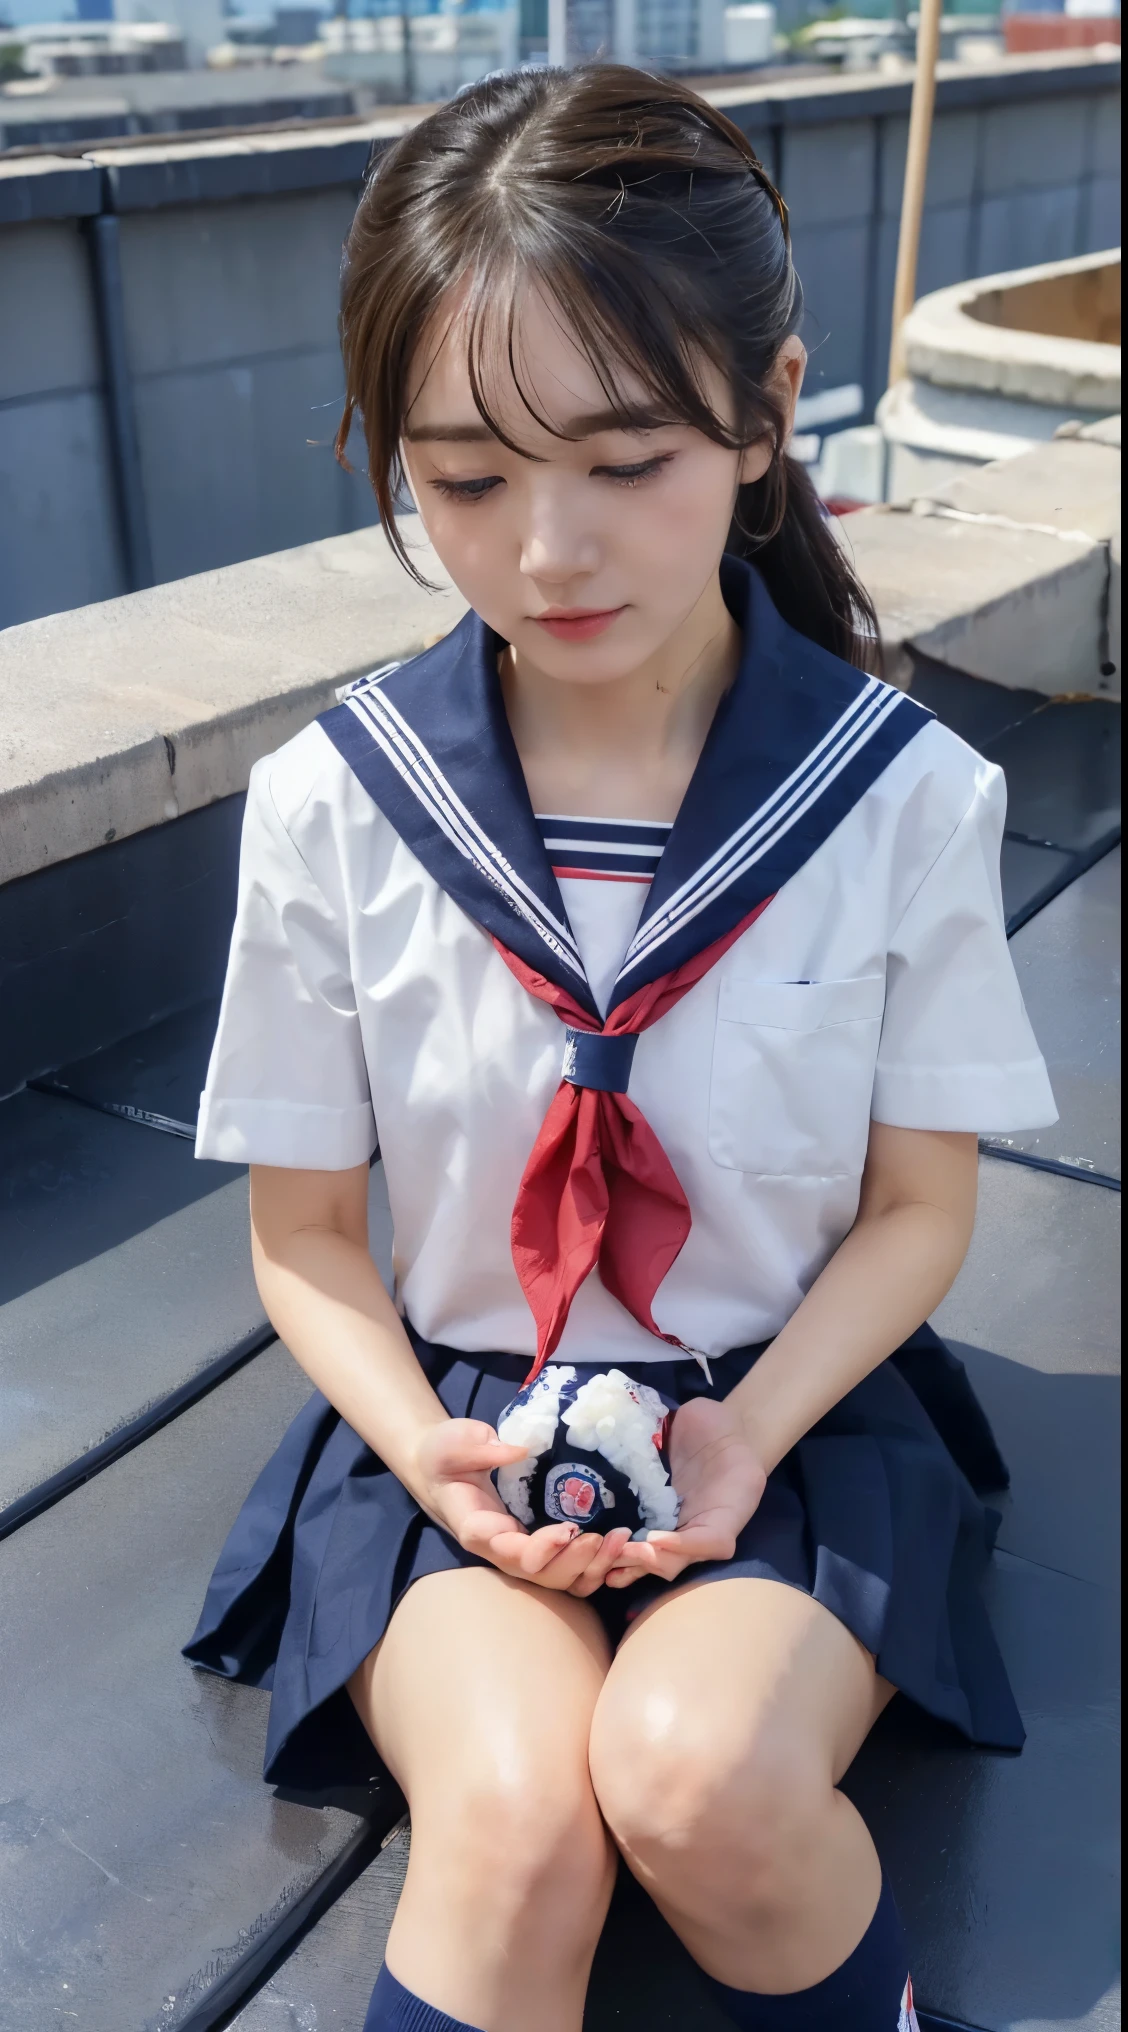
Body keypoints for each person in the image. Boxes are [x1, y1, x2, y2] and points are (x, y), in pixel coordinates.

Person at [185, 64, 1056, 2032]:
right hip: (461, 1427)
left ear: (767, 411)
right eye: (466, 482)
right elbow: (305, 1236)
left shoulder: (902, 801)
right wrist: (430, 1451)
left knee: (697, 1777)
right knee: (514, 1823)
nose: (548, 553)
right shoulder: (336, 805)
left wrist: (752, 1426)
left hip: (788, 1414)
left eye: (627, 459)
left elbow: (919, 1209)